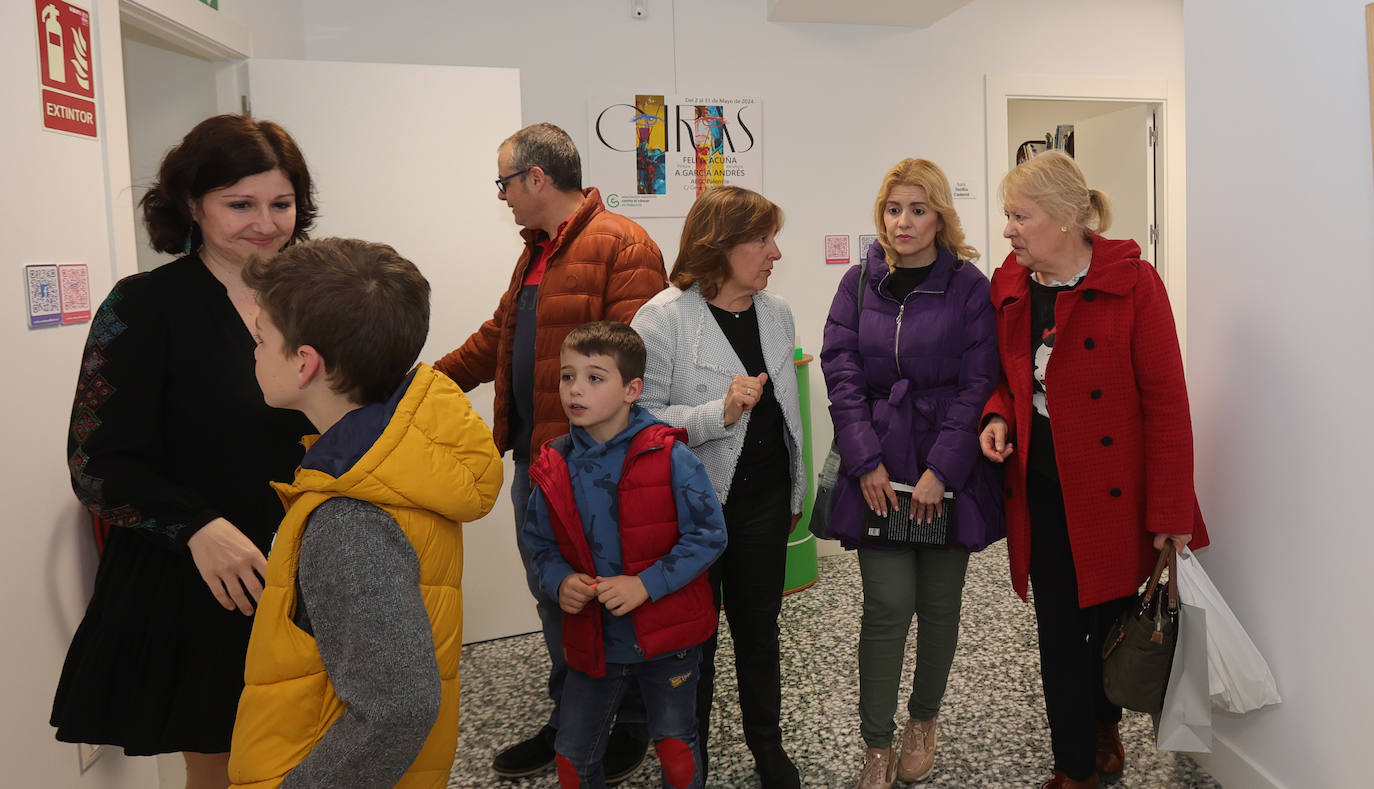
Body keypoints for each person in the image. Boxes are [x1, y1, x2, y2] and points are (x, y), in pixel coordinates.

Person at [51, 114, 317, 789]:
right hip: (209, 579)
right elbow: (97, 464)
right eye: (240, 204)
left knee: (324, 753)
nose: (266, 222)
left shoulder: (317, 297)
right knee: (227, 765)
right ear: (192, 205)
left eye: (280, 203)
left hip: (314, 562)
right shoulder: (142, 307)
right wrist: (196, 526)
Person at [434, 121, 667, 782]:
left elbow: (634, 365)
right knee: (555, 596)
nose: (500, 195)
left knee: (607, 598)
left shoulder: (624, 244)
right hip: (535, 464)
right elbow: (499, 337)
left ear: (536, 178)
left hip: (594, 470)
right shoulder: (536, 251)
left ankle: (630, 722)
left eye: (503, 182)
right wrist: (429, 379)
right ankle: (575, 711)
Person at [227, 238, 502, 788]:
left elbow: (399, 706)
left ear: (305, 362)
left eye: (260, 340)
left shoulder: (349, 518)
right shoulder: (398, 458)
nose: (253, 353)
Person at [978, 151, 1209, 789]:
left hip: (1114, 494)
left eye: (1020, 216)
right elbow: (1003, 378)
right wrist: (997, 416)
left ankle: (1104, 726)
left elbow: (1167, 403)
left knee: (1108, 622)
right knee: (1058, 628)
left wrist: (1170, 514)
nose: (1009, 230)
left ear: (1069, 217)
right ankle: (1072, 765)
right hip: (1043, 487)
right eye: (1008, 217)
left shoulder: (1133, 283)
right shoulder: (1013, 287)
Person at [820, 159, 1004, 789]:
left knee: (939, 604)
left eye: (918, 209)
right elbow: (840, 370)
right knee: (887, 605)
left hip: (945, 468)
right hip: (878, 461)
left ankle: (922, 721)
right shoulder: (857, 283)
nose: (903, 222)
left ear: (940, 217)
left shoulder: (969, 287)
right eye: (894, 208)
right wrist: (864, 459)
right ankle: (877, 743)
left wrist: (943, 470)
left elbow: (980, 382)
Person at [630, 186, 806, 789]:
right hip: (691, 515)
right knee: (691, 646)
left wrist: (795, 491)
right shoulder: (662, 318)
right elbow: (638, 423)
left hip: (763, 504)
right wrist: (716, 414)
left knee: (760, 634)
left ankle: (768, 746)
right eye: (762, 240)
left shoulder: (777, 314)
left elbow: (788, 414)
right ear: (721, 245)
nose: (775, 253)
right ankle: (688, 756)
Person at [520, 321, 727, 789]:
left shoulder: (670, 456)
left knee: (676, 748)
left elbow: (709, 535)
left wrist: (644, 584)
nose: (575, 389)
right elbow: (539, 544)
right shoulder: (553, 465)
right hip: (595, 641)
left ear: (633, 389)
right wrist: (558, 581)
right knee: (572, 757)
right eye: (567, 376)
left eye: (595, 378)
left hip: (667, 638)